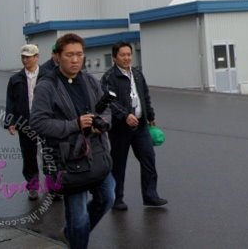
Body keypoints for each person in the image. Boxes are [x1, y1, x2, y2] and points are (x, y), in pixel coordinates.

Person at [30, 33, 115, 249]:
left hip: (97, 153)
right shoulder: (47, 85)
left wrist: (102, 122)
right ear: (57, 56)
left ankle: (70, 234)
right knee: (79, 215)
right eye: (69, 55)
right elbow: (38, 123)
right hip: (68, 159)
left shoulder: (89, 80)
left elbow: (106, 109)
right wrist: (74, 124)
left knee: (108, 197)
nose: (75, 60)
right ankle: (77, 239)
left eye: (79, 54)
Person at [100, 42, 167, 211]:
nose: (127, 58)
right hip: (119, 129)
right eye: (122, 55)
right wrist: (125, 115)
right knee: (118, 164)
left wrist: (150, 115)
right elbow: (109, 102)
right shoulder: (109, 77)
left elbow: (145, 95)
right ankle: (117, 198)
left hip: (141, 126)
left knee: (148, 159)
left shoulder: (137, 73)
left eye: (129, 54)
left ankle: (150, 195)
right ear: (114, 57)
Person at [4, 44, 51, 200]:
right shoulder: (15, 79)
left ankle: (53, 184)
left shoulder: (48, 76)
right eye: (23, 57)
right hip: (24, 121)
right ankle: (33, 186)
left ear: (37, 57)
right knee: (29, 155)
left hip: (46, 120)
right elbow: (10, 102)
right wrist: (10, 122)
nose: (25, 60)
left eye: (28, 57)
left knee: (50, 152)